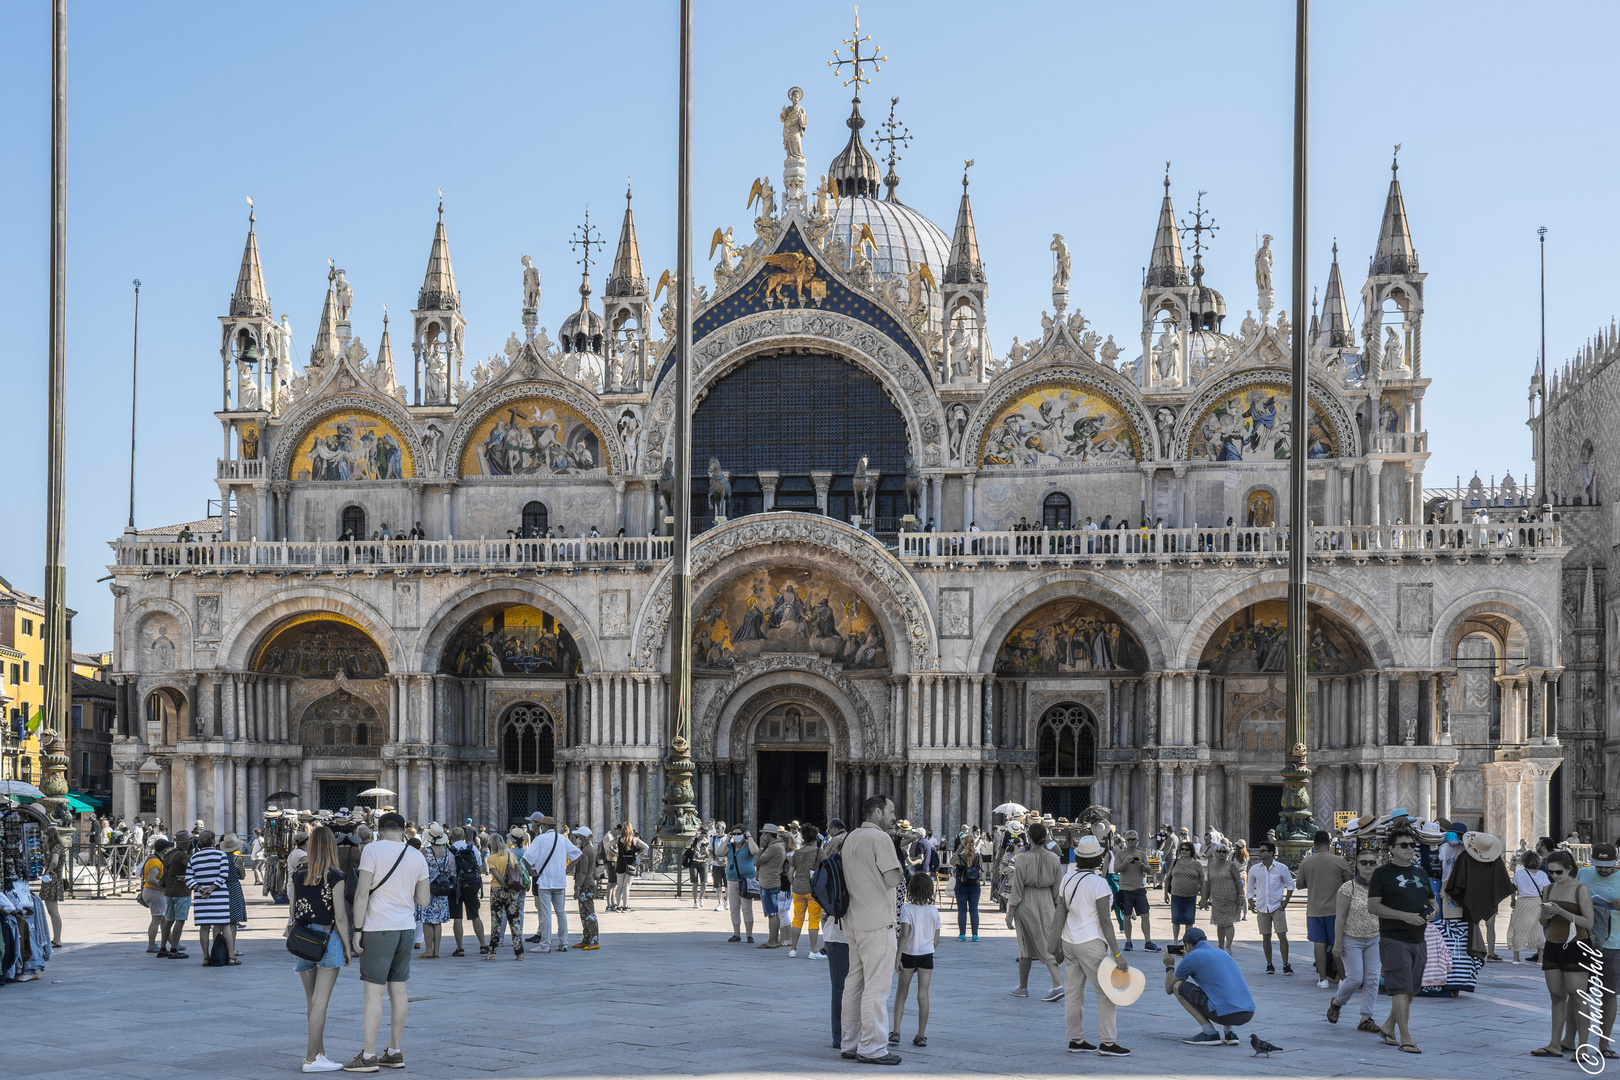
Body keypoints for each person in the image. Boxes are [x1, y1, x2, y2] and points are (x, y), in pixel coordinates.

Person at [346, 811, 431, 1072]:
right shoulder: (417, 855)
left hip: (377, 927)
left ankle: (369, 1056)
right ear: (404, 830)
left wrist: (357, 929)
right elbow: (424, 900)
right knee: (399, 991)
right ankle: (394, 1051)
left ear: (379, 829)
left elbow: (362, 893)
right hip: (405, 928)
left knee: (373, 992)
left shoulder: (372, 850)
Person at [838, 796, 904, 1066]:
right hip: (877, 921)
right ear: (877, 812)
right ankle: (873, 1047)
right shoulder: (880, 839)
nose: (893, 817)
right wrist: (901, 859)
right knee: (877, 987)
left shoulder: (851, 836)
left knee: (854, 983)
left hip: (853, 920)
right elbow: (893, 879)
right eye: (890, 811)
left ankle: (850, 1043)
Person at [1365, 824, 1436, 1054]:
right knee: (1401, 989)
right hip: (1394, 938)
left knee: (1413, 988)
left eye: (1412, 845)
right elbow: (1373, 906)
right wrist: (1404, 916)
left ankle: (1387, 1026)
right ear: (1392, 849)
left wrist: (1433, 910)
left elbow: (1431, 900)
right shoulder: (1382, 873)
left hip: (1419, 939)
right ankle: (1405, 1037)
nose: (1410, 849)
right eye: (1404, 845)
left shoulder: (1421, 873)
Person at [1057, 834, 1130, 1055]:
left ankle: (1075, 1039)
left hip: (1069, 940)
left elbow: (1061, 909)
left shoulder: (1067, 878)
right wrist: (1118, 954)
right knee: (1106, 992)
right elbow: (1105, 922)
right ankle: (1108, 1042)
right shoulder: (1099, 884)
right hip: (1090, 942)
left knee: (1073, 992)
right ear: (1097, 859)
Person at [289, 825, 352, 1073]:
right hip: (327, 938)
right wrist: (347, 946)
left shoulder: (297, 872)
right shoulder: (335, 875)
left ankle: (320, 1053)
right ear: (331, 847)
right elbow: (341, 916)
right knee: (321, 1003)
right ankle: (310, 1059)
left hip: (303, 939)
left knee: (311, 1002)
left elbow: (292, 910)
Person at [1536, 848, 1596, 1059]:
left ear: (1569, 869)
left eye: (1559, 872)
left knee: (1578, 997)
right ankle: (1555, 1044)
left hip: (1576, 945)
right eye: (1551, 872)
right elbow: (1543, 922)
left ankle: (1584, 1047)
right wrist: (1545, 914)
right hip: (1553, 944)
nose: (1555, 876)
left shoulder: (1581, 889)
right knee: (1556, 997)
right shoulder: (1548, 889)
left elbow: (1588, 922)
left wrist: (1562, 912)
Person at [1164, 926, 1255, 1045]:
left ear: (1187, 945)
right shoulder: (1222, 953)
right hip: (1248, 1013)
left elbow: (1169, 988)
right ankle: (1230, 1033)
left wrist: (1169, 966)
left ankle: (1209, 1033)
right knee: (1218, 987)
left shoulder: (1191, 957)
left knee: (1178, 986)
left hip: (1224, 1015)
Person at [1328, 847, 1384, 1033]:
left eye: (1372, 863)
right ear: (1357, 865)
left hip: (1374, 938)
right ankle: (1337, 1002)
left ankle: (1366, 1018)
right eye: (1364, 862)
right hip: (1351, 939)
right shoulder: (1348, 887)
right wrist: (1338, 942)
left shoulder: (1381, 887)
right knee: (1354, 978)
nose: (1368, 866)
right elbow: (1340, 917)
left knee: (1372, 979)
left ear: (1377, 864)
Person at [1007, 820, 1065, 1001]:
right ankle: (1031, 985)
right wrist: (1058, 910)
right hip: (1047, 900)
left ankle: (1051, 985)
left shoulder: (1022, 858)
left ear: (1029, 837)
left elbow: (1016, 888)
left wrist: (1010, 912)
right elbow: (1058, 890)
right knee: (1047, 940)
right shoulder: (1054, 858)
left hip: (1026, 901)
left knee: (1025, 945)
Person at [1575, 842, 1619, 1059]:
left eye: (1607, 866)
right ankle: (1569, 1040)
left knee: (1608, 994)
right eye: (1599, 865)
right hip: (1584, 940)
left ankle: (1605, 1044)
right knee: (1576, 993)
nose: (1603, 870)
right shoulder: (1583, 873)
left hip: (1613, 944)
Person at [1296, 829, 1352, 988]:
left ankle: (1323, 979)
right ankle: (1342, 978)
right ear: (1329, 843)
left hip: (1314, 910)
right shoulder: (1339, 861)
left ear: (1314, 844)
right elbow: (1349, 882)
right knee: (1337, 945)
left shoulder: (1306, 862)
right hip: (1336, 911)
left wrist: (1312, 882)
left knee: (1319, 944)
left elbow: (1299, 884)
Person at [891, 872, 941, 1049]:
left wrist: (897, 956)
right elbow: (937, 937)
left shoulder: (907, 909)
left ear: (911, 889)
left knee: (901, 994)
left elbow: (904, 935)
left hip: (909, 955)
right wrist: (929, 948)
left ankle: (896, 1031)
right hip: (927, 955)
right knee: (923, 995)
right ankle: (921, 1035)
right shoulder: (933, 910)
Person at [524, 816, 580, 953]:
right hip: (559, 881)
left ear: (542, 827)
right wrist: (568, 869)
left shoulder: (540, 839)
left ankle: (545, 944)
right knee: (561, 913)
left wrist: (531, 872)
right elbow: (578, 855)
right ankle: (563, 943)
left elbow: (525, 859)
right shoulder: (562, 839)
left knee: (546, 914)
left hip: (544, 882)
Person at [819, 819, 851, 1047]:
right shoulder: (838, 872)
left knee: (842, 987)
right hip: (843, 935)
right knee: (845, 987)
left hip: (837, 934)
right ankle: (842, 1036)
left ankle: (842, 1036)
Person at [186, 830, 236, 966]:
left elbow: (188, 877)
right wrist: (212, 888)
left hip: (202, 897)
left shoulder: (194, 857)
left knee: (204, 927)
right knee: (225, 926)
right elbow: (224, 874)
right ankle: (231, 957)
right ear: (214, 841)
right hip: (219, 896)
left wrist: (199, 888)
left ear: (200, 842)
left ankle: (206, 958)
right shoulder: (221, 855)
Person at [1246, 841, 1295, 975]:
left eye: (1262, 851)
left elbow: (1290, 885)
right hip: (1262, 906)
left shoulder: (1281, 868)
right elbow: (1250, 885)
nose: (1259, 853)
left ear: (1271, 853)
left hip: (1277, 905)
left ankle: (1286, 964)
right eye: (1259, 850)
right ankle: (1269, 964)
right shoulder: (1255, 869)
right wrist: (1250, 900)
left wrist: (1285, 902)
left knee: (1282, 935)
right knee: (1265, 936)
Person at [483, 833, 526, 960]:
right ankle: (519, 953)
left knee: (496, 921)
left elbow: (496, 875)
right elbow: (520, 871)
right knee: (514, 920)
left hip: (497, 890)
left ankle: (492, 953)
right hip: (512, 891)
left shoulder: (491, 859)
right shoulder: (510, 855)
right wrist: (511, 883)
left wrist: (504, 885)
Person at [1113, 831, 1157, 951]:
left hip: (1139, 888)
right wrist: (1126, 862)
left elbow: (1149, 870)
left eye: (1133, 839)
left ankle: (1148, 941)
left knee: (1145, 915)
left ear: (1137, 840)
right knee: (1126, 916)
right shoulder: (1120, 854)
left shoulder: (1141, 854)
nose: (1130, 842)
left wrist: (1140, 864)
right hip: (1125, 888)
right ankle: (1128, 941)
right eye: (1128, 840)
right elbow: (1116, 869)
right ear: (1125, 841)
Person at [446, 827, 486, 957]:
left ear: (451, 837)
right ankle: (483, 945)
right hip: (471, 885)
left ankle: (460, 948)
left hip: (456, 886)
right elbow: (479, 864)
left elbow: (449, 868)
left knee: (457, 918)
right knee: (475, 915)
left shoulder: (450, 850)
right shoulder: (472, 848)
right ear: (464, 836)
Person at [415, 824, 452, 959]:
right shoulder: (447, 852)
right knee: (437, 922)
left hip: (427, 888)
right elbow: (450, 870)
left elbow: (417, 867)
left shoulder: (425, 851)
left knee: (427, 920)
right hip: (441, 889)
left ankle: (428, 950)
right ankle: (437, 951)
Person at [1200, 843, 1245, 953]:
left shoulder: (1231, 865)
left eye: (1224, 852)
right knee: (1219, 924)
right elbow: (1208, 884)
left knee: (1229, 923)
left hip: (1231, 898)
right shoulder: (1211, 867)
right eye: (1219, 851)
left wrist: (1241, 895)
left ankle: (1228, 947)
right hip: (1217, 899)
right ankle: (1220, 947)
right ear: (1215, 853)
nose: (1221, 853)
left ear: (1227, 854)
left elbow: (1238, 881)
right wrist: (1204, 899)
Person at [787, 823, 823, 957]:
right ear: (815, 838)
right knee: (814, 919)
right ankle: (813, 950)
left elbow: (790, 873)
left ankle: (793, 949)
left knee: (797, 918)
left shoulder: (796, 853)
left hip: (798, 889)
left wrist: (794, 884)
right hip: (813, 890)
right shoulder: (819, 852)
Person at [157, 829, 194, 958]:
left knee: (169, 920)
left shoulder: (168, 854)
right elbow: (192, 868)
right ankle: (174, 949)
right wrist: (187, 877)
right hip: (181, 891)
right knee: (180, 920)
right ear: (186, 843)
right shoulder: (183, 856)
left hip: (169, 891)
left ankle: (162, 948)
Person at [1508, 850, 1549, 964]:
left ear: (1524, 862)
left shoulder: (1519, 874)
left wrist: (1513, 901)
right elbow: (1545, 892)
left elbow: (1513, 889)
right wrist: (1544, 905)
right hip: (1537, 902)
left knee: (1518, 928)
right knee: (1538, 929)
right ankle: (1540, 958)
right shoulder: (1542, 875)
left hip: (1522, 902)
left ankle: (1516, 957)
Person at [1164, 839, 1205, 943]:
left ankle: (1187, 941)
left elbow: (1202, 881)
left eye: (1186, 849)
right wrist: (1165, 894)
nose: (1184, 851)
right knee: (1176, 920)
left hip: (1191, 896)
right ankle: (1175, 941)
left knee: (1189, 921)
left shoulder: (1197, 864)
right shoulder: (1175, 863)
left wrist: (1204, 898)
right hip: (1176, 895)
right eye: (1182, 849)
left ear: (1191, 851)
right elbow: (1168, 878)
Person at [724, 825, 760, 943]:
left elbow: (755, 851)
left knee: (747, 908)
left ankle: (749, 935)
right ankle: (736, 934)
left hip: (746, 881)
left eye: (738, 833)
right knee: (734, 908)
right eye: (734, 833)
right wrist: (727, 839)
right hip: (732, 880)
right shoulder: (730, 846)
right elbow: (719, 852)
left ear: (744, 834)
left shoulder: (748, 845)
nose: (736, 836)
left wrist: (749, 837)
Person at [754, 823, 788, 948]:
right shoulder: (779, 846)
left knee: (772, 913)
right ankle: (774, 939)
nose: (762, 836)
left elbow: (757, 861)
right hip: (772, 881)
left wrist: (762, 847)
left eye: (764, 834)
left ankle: (772, 941)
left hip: (769, 883)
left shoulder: (773, 847)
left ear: (768, 835)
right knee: (774, 912)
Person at [140, 838, 172, 953]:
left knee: (163, 920)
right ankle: (151, 945)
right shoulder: (156, 862)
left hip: (151, 891)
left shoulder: (153, 859)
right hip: (154, 892)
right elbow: (151, 879)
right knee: (156, 920)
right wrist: (162, 887)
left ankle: (173, 944)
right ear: (164, 850)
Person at [571, 826, 600, 949]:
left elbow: (583, 872)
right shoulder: (592, 849)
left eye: (578, 837)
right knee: (585, 913)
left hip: (586, 885)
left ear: (583, 838)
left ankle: (594, 940)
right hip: (590, 884)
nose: (577, 839)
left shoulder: (585, 852)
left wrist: (577, 888)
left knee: (588, 913)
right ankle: (587, 938)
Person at [951, 831, 982, 942]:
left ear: (963, 844)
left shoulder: (960, 856)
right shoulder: (977, 855)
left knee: (962, 910)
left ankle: (962, 934)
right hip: (974, 885)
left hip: (961, 884)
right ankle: (975, 935)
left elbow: (951, 862)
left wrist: (959, 849)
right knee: (974, 910)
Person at [611, 823, 647, 913]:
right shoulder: (635, 840)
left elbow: (607, 845)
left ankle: (618, 906)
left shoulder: (619, 839)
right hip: (631, 863)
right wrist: (638, 854)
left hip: (620, 862)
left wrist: (614, 853)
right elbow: (646, 847)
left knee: (619, 886)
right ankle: (625, 906)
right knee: (626, 886)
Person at [681, 831, 709, 907]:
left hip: (704, 863)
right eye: (702, 833)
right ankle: (695, 901)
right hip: (694, 863)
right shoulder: (694, 840)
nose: (703, 834)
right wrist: (694, 836)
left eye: (705, 833)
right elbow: (686, 845)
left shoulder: (708, 841)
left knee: (704, 883)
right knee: (695, 883)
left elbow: (710, 852)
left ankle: (701, 898)